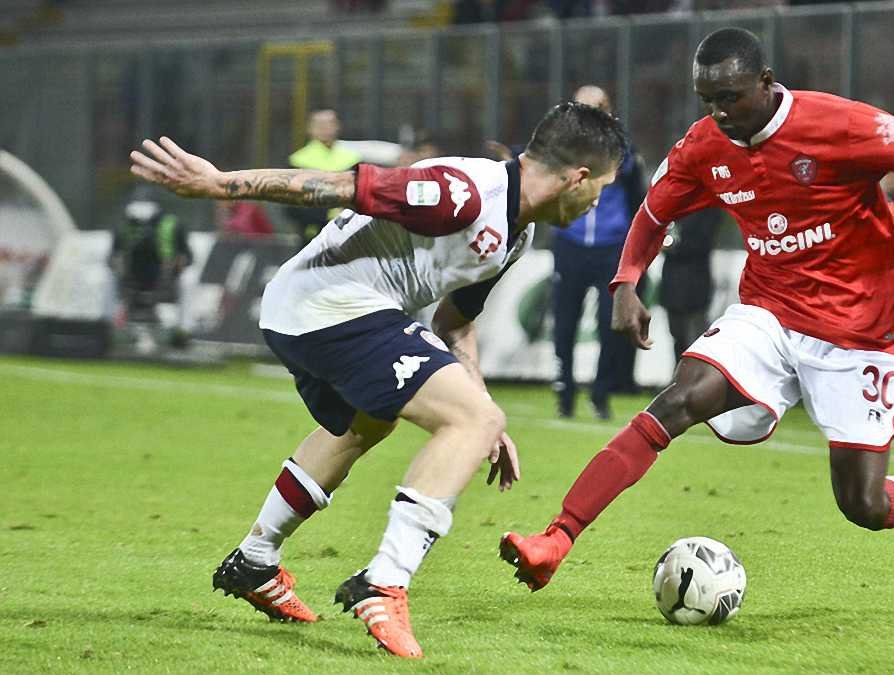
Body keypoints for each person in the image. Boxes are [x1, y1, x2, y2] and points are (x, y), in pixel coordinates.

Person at [499, 27, 894, 592]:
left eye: (731, 97)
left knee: (863, 503)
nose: (720, 112)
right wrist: (626, 281)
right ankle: (557, 539)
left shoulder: (837, 124)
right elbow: (653, 212)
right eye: (708, 100)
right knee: (680, 399)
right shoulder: (705, 146)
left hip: (857, 331)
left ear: (767, 82)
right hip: (769, 312)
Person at [129, 101, 627, 658]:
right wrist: (221, 185)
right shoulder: (462, 193)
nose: (597, 202)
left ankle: (254, 560)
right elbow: (336, 186)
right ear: (577, 177)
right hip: (329, 306)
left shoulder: (515, 236)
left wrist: (479, 407)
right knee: (470, 421)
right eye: (601, 188)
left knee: (367, 425)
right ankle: (385, 582)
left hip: (314, 310)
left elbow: (455, 323)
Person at [549, 85, 646, 419]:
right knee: (565, 322)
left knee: (609, 323)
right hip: (570, 243)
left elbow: (637, 192)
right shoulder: (559, 148)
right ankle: (565, 389)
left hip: (611, 247)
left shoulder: (622, 149)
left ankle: (601, 392)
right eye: (582, 107)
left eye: (597, 107)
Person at [110, 189, 193, 346]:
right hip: (130, 278)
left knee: (188, 280)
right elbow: (113, 256)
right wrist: (118, 265)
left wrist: (177, 264)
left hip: (166, 277)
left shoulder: (172, 224)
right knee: (107, 278)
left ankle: (184, 330)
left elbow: (187, 256)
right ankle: (109, 326)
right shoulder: (123, 226)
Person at [286, 110, 361, 246]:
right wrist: (325, 215)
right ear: (310, 129)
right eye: (320, 125)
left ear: (337, 126)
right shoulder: (298, 161)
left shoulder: (352, 159)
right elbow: (291, 205)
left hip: (348, 233)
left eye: (329, 124)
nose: (325, 129)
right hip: (312, 235)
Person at [659, 208, 721, 360]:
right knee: (677, 337)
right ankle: (679, 372)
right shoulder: (672, 204)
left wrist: (672, 245)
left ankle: (696, 373)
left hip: (696, 283)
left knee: (698, 342)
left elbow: (703, 240)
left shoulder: (708, 206)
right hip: (672, 283)